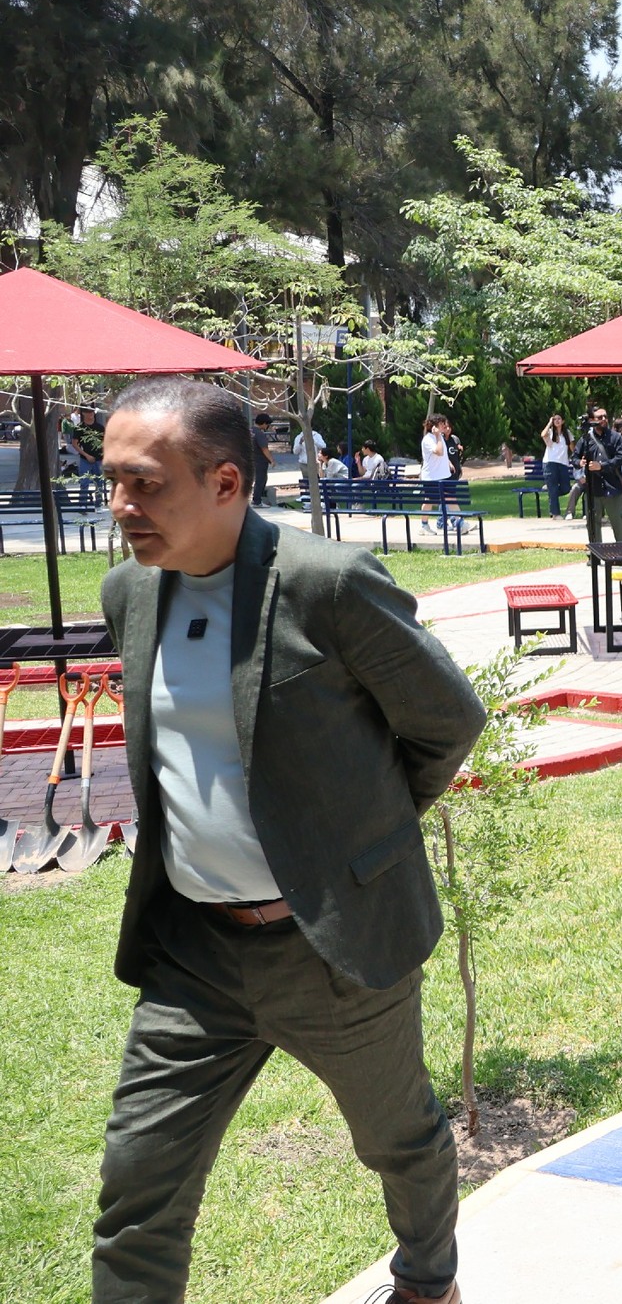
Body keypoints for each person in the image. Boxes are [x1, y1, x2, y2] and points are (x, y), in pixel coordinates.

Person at [93, 377, 485, 1304]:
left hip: (334, 949)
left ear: (225, 483)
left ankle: (431, 1281)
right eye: (111, 479)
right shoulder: (130, 595)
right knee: (138, 1182)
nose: (120, 506)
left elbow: (444, 723)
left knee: (399, 1138)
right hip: (194, 953)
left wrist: (355, 847)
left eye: (145, 483)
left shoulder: (327, 585)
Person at [574, 407, 622, 545]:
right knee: (593, 524)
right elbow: (574, 457)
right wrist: (579, 462)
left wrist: (602, 466)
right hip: (593, 488)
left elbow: (620, 458)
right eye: (600, 417)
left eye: (605, 416)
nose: (604, 419)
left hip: (613, 487)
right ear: (592, 420)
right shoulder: (585, 439)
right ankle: (595, 555)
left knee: (619, 523)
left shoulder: (615, 437)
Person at [418, 414, 454, 533]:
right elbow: (438, 451)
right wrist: (438, 436)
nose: (444, 426)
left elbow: (442, 454)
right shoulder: (428, 439)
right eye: (441, 424)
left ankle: (459, 522)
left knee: (450, 498)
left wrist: (448, 463)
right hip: (432, 477)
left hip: (444, 475)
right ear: (434, 426)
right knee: (429, 501)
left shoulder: (439, 437)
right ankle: (424, 526)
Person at [540, 414, 573, 517]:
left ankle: (550, 491)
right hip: (550, 463)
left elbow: (573, 448)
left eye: (559, 418)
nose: (557, 421)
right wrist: (549, 423)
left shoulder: (567, 434)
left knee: (566, 488)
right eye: (555, 419)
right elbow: (542, 434)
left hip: (563, 464)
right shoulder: (550, 433)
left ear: (562, 421)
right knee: (553, 488)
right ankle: (555, 514)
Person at [250, 413, 276, 506]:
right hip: (260, 461)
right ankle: (257, 501)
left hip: (251, 459)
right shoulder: (259, 433)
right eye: (267, 424)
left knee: (256, 480)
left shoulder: (250, 431)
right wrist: (272, 460)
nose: (267, 426)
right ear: (264, 423)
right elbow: (264, 449)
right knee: (261, 480)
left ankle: (256, 499)